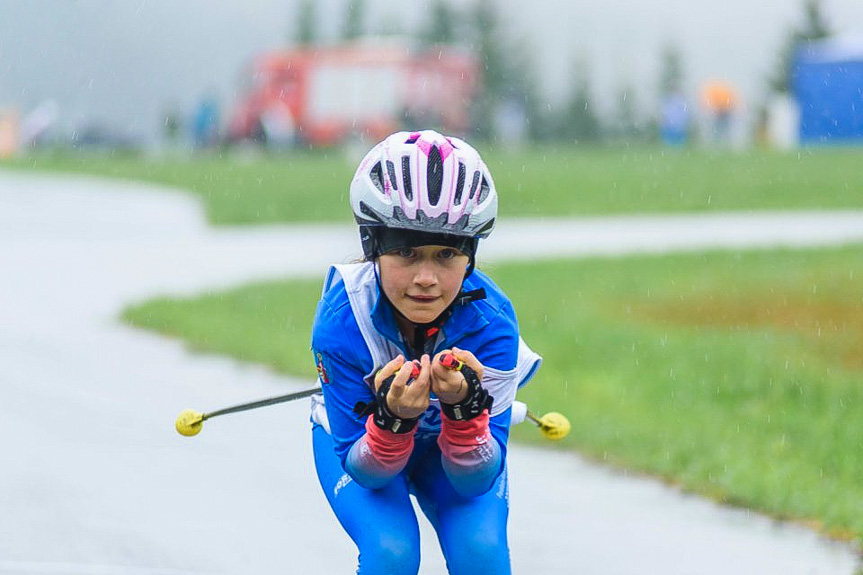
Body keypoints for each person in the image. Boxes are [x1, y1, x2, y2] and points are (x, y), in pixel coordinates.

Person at [309, 130, 541, 574]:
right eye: (407, 252)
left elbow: (474, 481)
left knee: (482, 555)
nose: (426, 278)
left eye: (446, 255)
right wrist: (392, 422)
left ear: (470, 256)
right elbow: (367, 474)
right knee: (392, 554)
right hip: (365, 450)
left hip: (449, 457)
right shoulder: (342, 321)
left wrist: (464, 411)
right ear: (371, 247)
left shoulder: (493, 323)